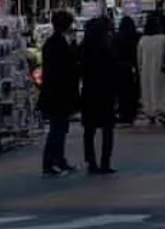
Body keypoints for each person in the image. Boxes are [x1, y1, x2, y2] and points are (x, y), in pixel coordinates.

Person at [39, 10, 80, 176]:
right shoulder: (57, 45)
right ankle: (51, 163)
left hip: (57, 93)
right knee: (57, 130)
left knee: (60, 129)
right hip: (58, 94)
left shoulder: (54, 43)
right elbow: (64, 69)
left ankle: (59, 160)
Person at [79, 17, 118, 175]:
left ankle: (91, 161)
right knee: (107, 129)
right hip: (105, 91)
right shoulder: (107, 46)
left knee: (89, 130)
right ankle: (105, 162)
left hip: (89, 91)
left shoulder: (84, 47)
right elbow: (114, 67)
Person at [137, 12, 165, 128]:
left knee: (148, 90)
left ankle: (150, 113)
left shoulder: (142, 40)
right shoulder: (164, 39)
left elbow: (139, 58)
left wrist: (140, 69)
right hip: (161, 70)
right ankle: (161, 112)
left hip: (146, 71)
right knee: (161, 91)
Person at [112, 16, 141, 125]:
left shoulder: (116, 37)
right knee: (132, 92)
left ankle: (123, 113)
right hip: (132, 68)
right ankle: (131, 114)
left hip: (119, 69)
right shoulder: (136, 37)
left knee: (121, 93)